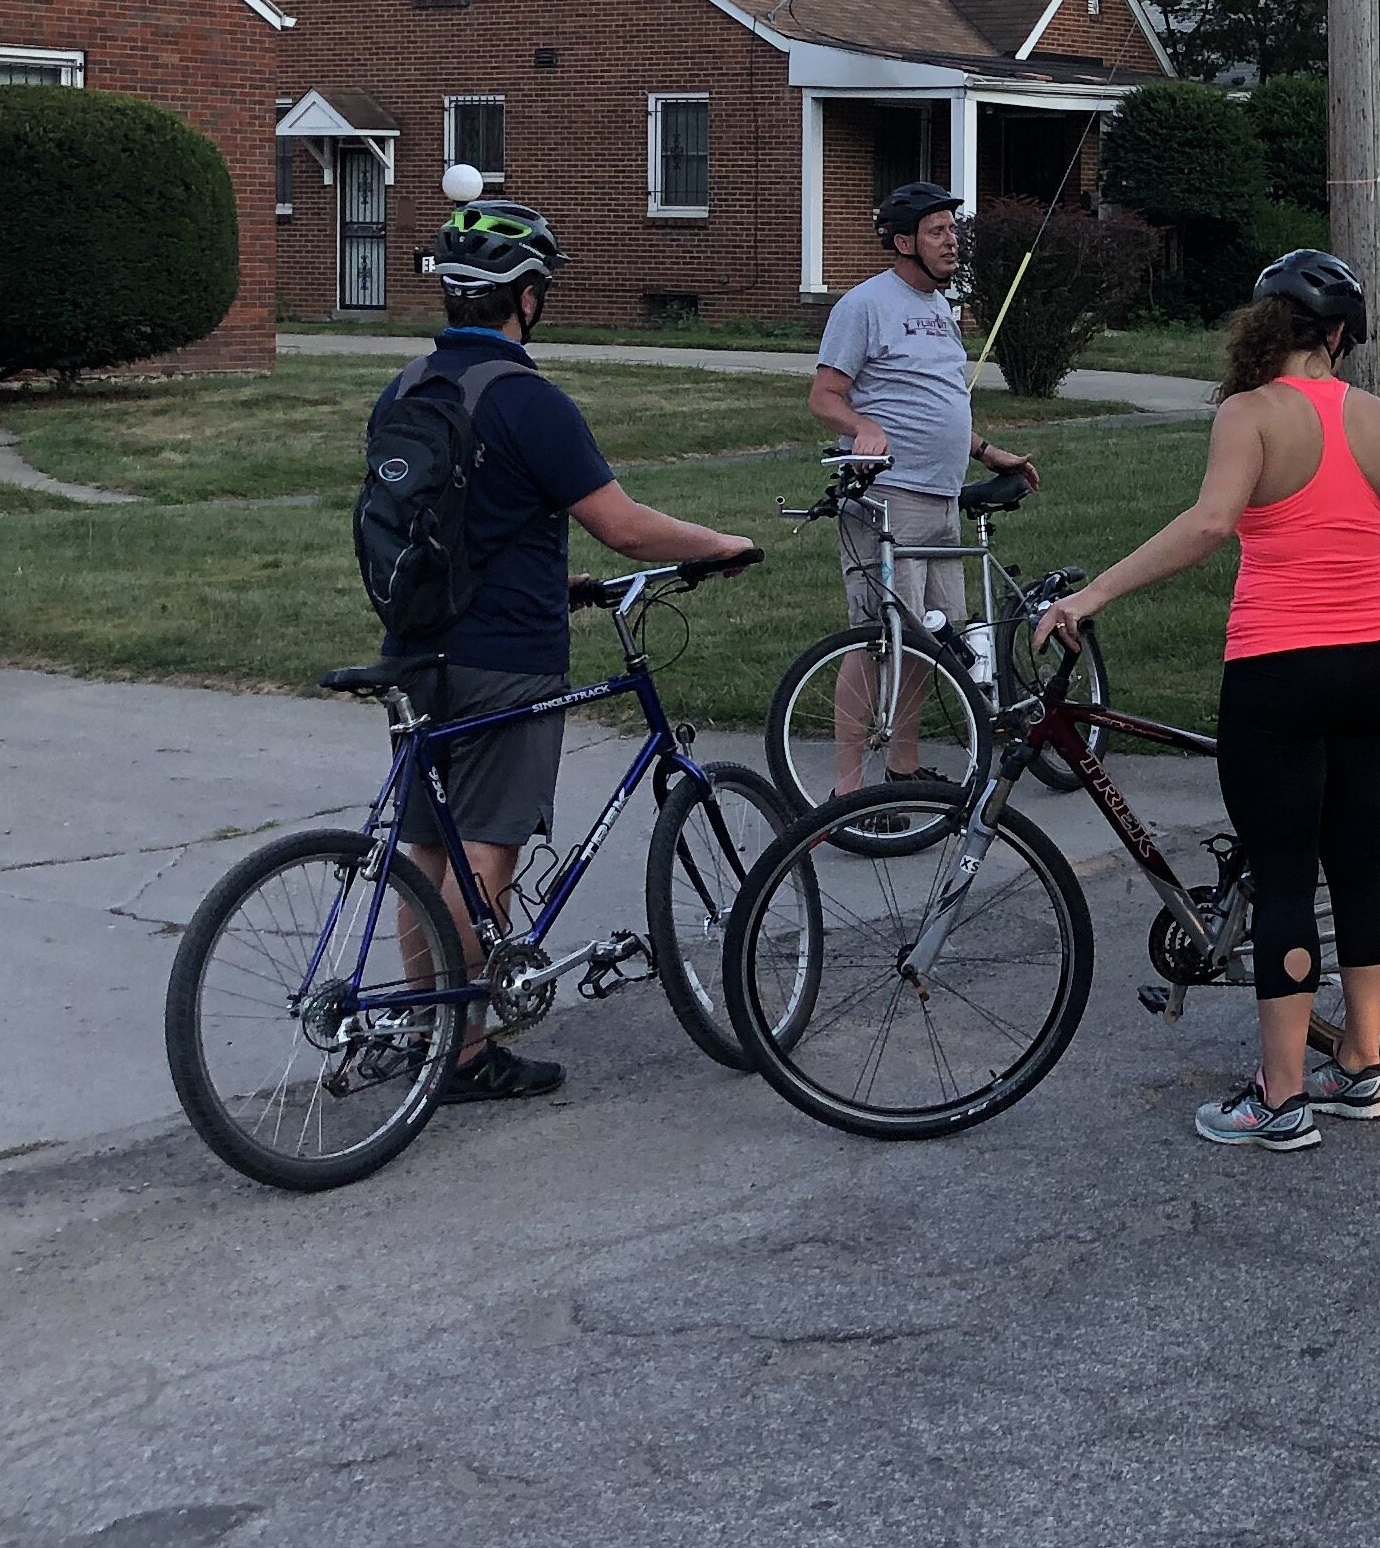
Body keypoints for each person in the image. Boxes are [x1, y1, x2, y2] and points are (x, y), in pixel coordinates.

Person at [1035, 254, 1380, 1151]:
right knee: (1356, 860)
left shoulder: (1249, 414)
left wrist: (1093, 596)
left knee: (1284, 871)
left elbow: (1208, 526)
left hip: (1280, 665)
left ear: (1265, 326)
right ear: (1342, 335)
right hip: (1376, 662)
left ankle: (1279, 1099)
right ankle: (1362, 1068)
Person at [390, 184, 755, 1104]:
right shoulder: (528, 399)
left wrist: (557, 581)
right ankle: (463, 1054)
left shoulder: (406, 390)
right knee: (487, 850)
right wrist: (719, 544)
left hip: (416, 647)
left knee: (426, 851)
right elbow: (623, 528)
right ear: (524, 297)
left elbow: (456, 528)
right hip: (503, 657)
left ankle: (418, 1034)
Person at [806, 181, 1036, 793]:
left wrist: (988, 451)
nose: (951, 241)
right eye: (937, 232)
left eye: (952, 231)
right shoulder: (864, 305)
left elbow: (936, 400)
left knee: (934, 641)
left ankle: (902, 768)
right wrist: (863, 426)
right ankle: (847, 789)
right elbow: (824, 396)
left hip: (941, 496)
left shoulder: (939, 310)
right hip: (888, 498)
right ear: (903, 241)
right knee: (878, 638)